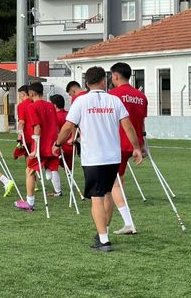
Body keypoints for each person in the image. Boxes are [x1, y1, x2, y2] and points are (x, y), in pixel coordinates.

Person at [54, 66, 142, 252]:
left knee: (96, 198)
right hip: (113, 157)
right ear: (104, 81)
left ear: (86, 83)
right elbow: (128, 126)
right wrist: (136, 148)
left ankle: (103, 240)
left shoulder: (81, 101)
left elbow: (68, 127)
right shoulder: (114, 100)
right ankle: (105, 231)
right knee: (108, 193)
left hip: (93, 158)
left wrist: (58, 143)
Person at [108, 62, 148, 235]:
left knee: (113, 183)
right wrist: (141, 144)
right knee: (118, 179)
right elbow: (142, 122)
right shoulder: (141, 96)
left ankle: (128, 223)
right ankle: (125, 221)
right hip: (134, 143)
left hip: (117, 143)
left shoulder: (113, 95)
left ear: (115, 76)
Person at [16, 82, 61, 211]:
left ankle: (30, 202)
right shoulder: (51, 106)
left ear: (31, 93)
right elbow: (55, 125)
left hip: (41, 146)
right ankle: (54, 187)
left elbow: (37, 127)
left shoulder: (31, 107)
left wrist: (35, 149)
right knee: (50, 169)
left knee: (29, 170)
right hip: (52, 145)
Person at [49, 94, 73, 169]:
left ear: (55, 105)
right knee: (69, 171)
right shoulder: (70, 114)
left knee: (51, 167)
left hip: (59, 147)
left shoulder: (54, 117)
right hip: (71, 147)